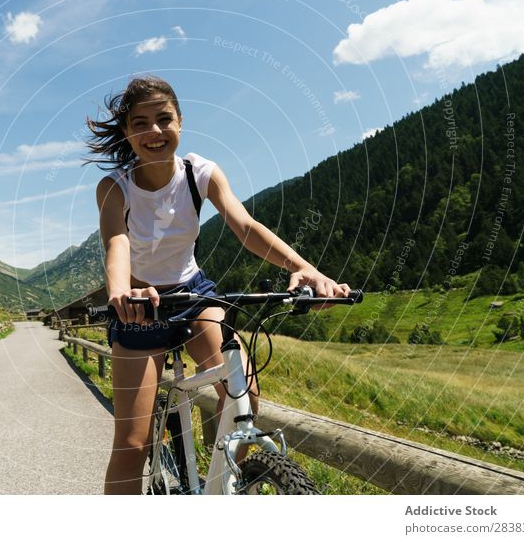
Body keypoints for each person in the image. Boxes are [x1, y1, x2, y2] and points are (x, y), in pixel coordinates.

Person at [85, 75, 350, 495]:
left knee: (244, 396)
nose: (154, 131)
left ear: (180, 121)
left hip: (192, 293)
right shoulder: (114, 187)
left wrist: (305, 268)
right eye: (140, 123)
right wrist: (122, 291)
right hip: (140, 303)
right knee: (133, 443)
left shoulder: (200, 173)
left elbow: (245, 226)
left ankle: (215, 489)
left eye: (163, 119)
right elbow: (115, 243)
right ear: (127, 133)